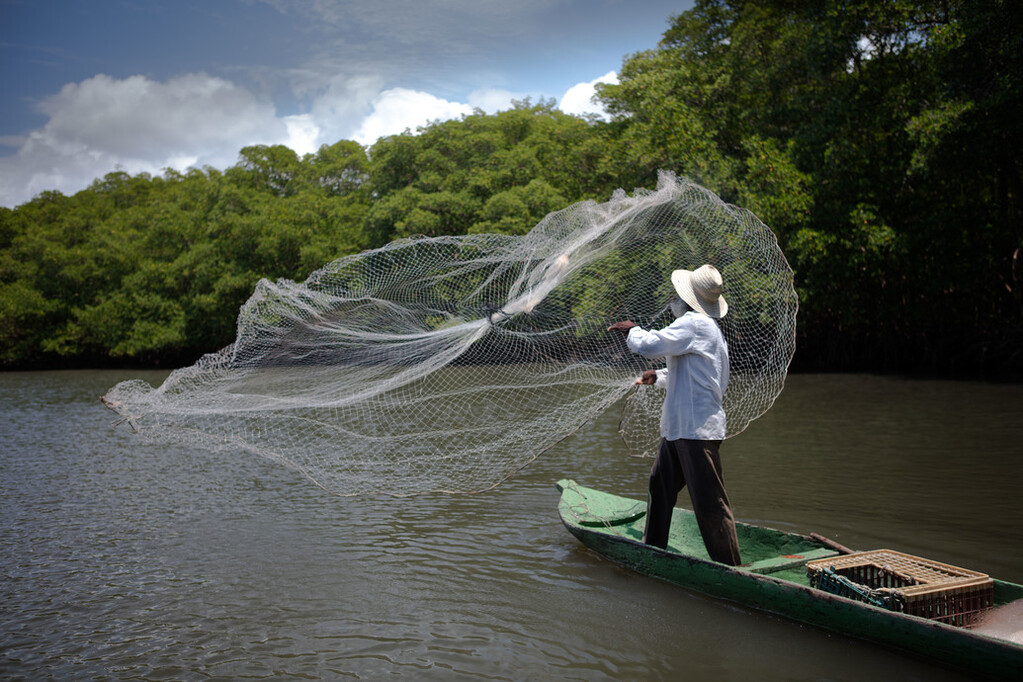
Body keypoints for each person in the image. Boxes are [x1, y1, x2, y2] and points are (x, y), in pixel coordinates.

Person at [607, 264, 741, 565]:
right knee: (660, 485)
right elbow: (697, 373)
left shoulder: (695, 323)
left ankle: (732, 569)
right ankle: (653, 548)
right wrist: (660, 376)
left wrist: (633, 330)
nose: (674, 300)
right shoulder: (704, 328)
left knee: (710, 503)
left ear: (688, 299)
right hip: (680, 429)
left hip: (696, 432)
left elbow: (651, 343)